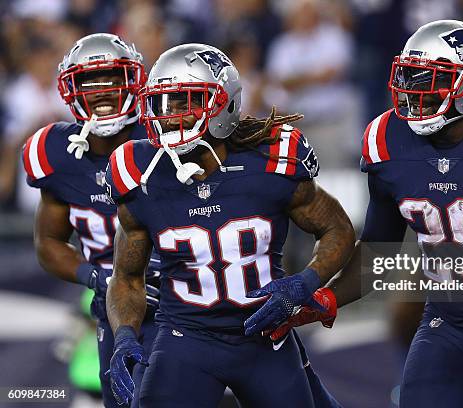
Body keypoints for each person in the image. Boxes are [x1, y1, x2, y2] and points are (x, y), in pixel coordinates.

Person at [268, 20, 463, 408]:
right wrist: (330, 297)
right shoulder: (387, 140)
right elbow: (377, 253)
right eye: (410, 78)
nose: (413, 92)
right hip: (446, 324)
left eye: (430, 80)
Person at [104, 43, 354, 408]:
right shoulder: (139, 172)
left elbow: (338, 229)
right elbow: (126, 278)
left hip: (265, 335)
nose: (170, 116)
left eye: (184, 101)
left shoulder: (270, 159)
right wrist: (125, 335)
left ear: (224, 104)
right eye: (163, 103)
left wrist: (305, 282)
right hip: (185, 337)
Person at [22, 33, 160, 408]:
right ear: (70, 89)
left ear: (133, 81)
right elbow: (48, 244)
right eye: (88, 81)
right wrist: (98, 277)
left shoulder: (167, 139)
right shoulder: (56, 153)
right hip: (116, 312)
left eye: (112, 79)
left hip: (183, 304)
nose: (101, 91)